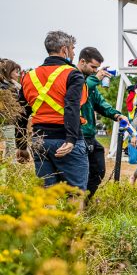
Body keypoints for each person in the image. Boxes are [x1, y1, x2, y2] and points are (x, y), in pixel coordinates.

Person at [15, 30, 89, 191]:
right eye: (73, 48)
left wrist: (20, 145)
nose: (74, 53)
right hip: (65, 141)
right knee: (75, 193)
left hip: (40, 141)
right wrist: (71, 139)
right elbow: (72, 107)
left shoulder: (29, 76)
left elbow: (21, 113)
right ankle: (73, 217)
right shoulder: (73, 74)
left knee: (47, 194)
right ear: (64, 50)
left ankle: (49, 217)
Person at [78, 47, 123, 199]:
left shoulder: (91, 83)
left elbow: (100, 103)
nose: (95, 71)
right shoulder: (74, 77)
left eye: (97, 68)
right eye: (93, 67)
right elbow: (80, 92)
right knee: (79, 173)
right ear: (82, 62)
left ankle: (84, 202)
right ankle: (72, 205)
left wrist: (116, 115)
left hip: (90, 133)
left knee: (98, 170)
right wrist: (95, 78)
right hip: (76, 133)